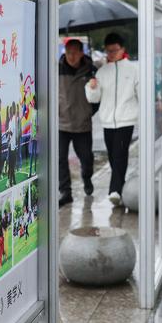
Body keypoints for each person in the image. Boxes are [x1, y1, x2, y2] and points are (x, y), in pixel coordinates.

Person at [85, 33, 139, 205]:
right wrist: (92, 87)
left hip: (126, 121)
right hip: (107, 122)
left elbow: (142, 95)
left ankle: (115, 190)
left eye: (114, 50)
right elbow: (93, 98)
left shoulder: (134, 70)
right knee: (112, 156)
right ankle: (120, 190)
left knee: (120, 155)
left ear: (122, 49)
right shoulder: (101, 71)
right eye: (108, 51)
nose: (111, 54)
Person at [59, 39, 98, 205]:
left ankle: (87, 178)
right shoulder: (57, 69)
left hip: (83, 125)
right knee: (60, 159)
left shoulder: (91, 70)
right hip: (62, 123)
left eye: (75, 51)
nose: (71, 55)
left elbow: (97, 98)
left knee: (87, 159)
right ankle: (65, 192)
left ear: (82, 53)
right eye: (68, 51)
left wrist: (88, 112)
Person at [27, 95, 38, 178]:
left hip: (36, 137)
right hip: (32, 136)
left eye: (33, 101)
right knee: (31, 155)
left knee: (35, 154)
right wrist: (31, 135)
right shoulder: (32, 111)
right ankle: (30, 172)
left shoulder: (37, 111)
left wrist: (36, 136)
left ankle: (35, 170)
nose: (32, 102)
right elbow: (31, 124)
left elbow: (37, 125)